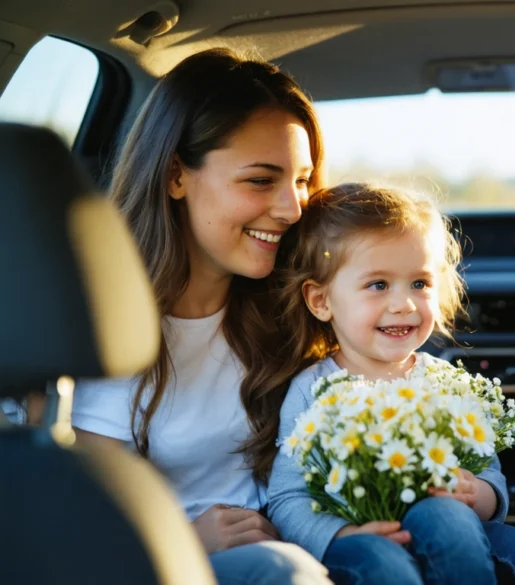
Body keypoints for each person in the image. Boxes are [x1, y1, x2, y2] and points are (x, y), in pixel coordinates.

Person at [71, 48, 334, 585]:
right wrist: (188, 540)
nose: (292, 208)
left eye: (302, 180)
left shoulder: (296, 310)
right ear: (175, 176)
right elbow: (89, 531)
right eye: (261, 180)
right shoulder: (108, 330)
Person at [268, 182, 515, 585]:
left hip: (454, 537)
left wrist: (479, 495)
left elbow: (488, 470)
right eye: (378, 285)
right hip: (360, 545)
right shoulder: (313, 390)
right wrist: (340, 534)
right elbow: (288, 497)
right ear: (321, 301)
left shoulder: (445, 382)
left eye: (419, 283)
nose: (403, 303)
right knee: (384, 563)